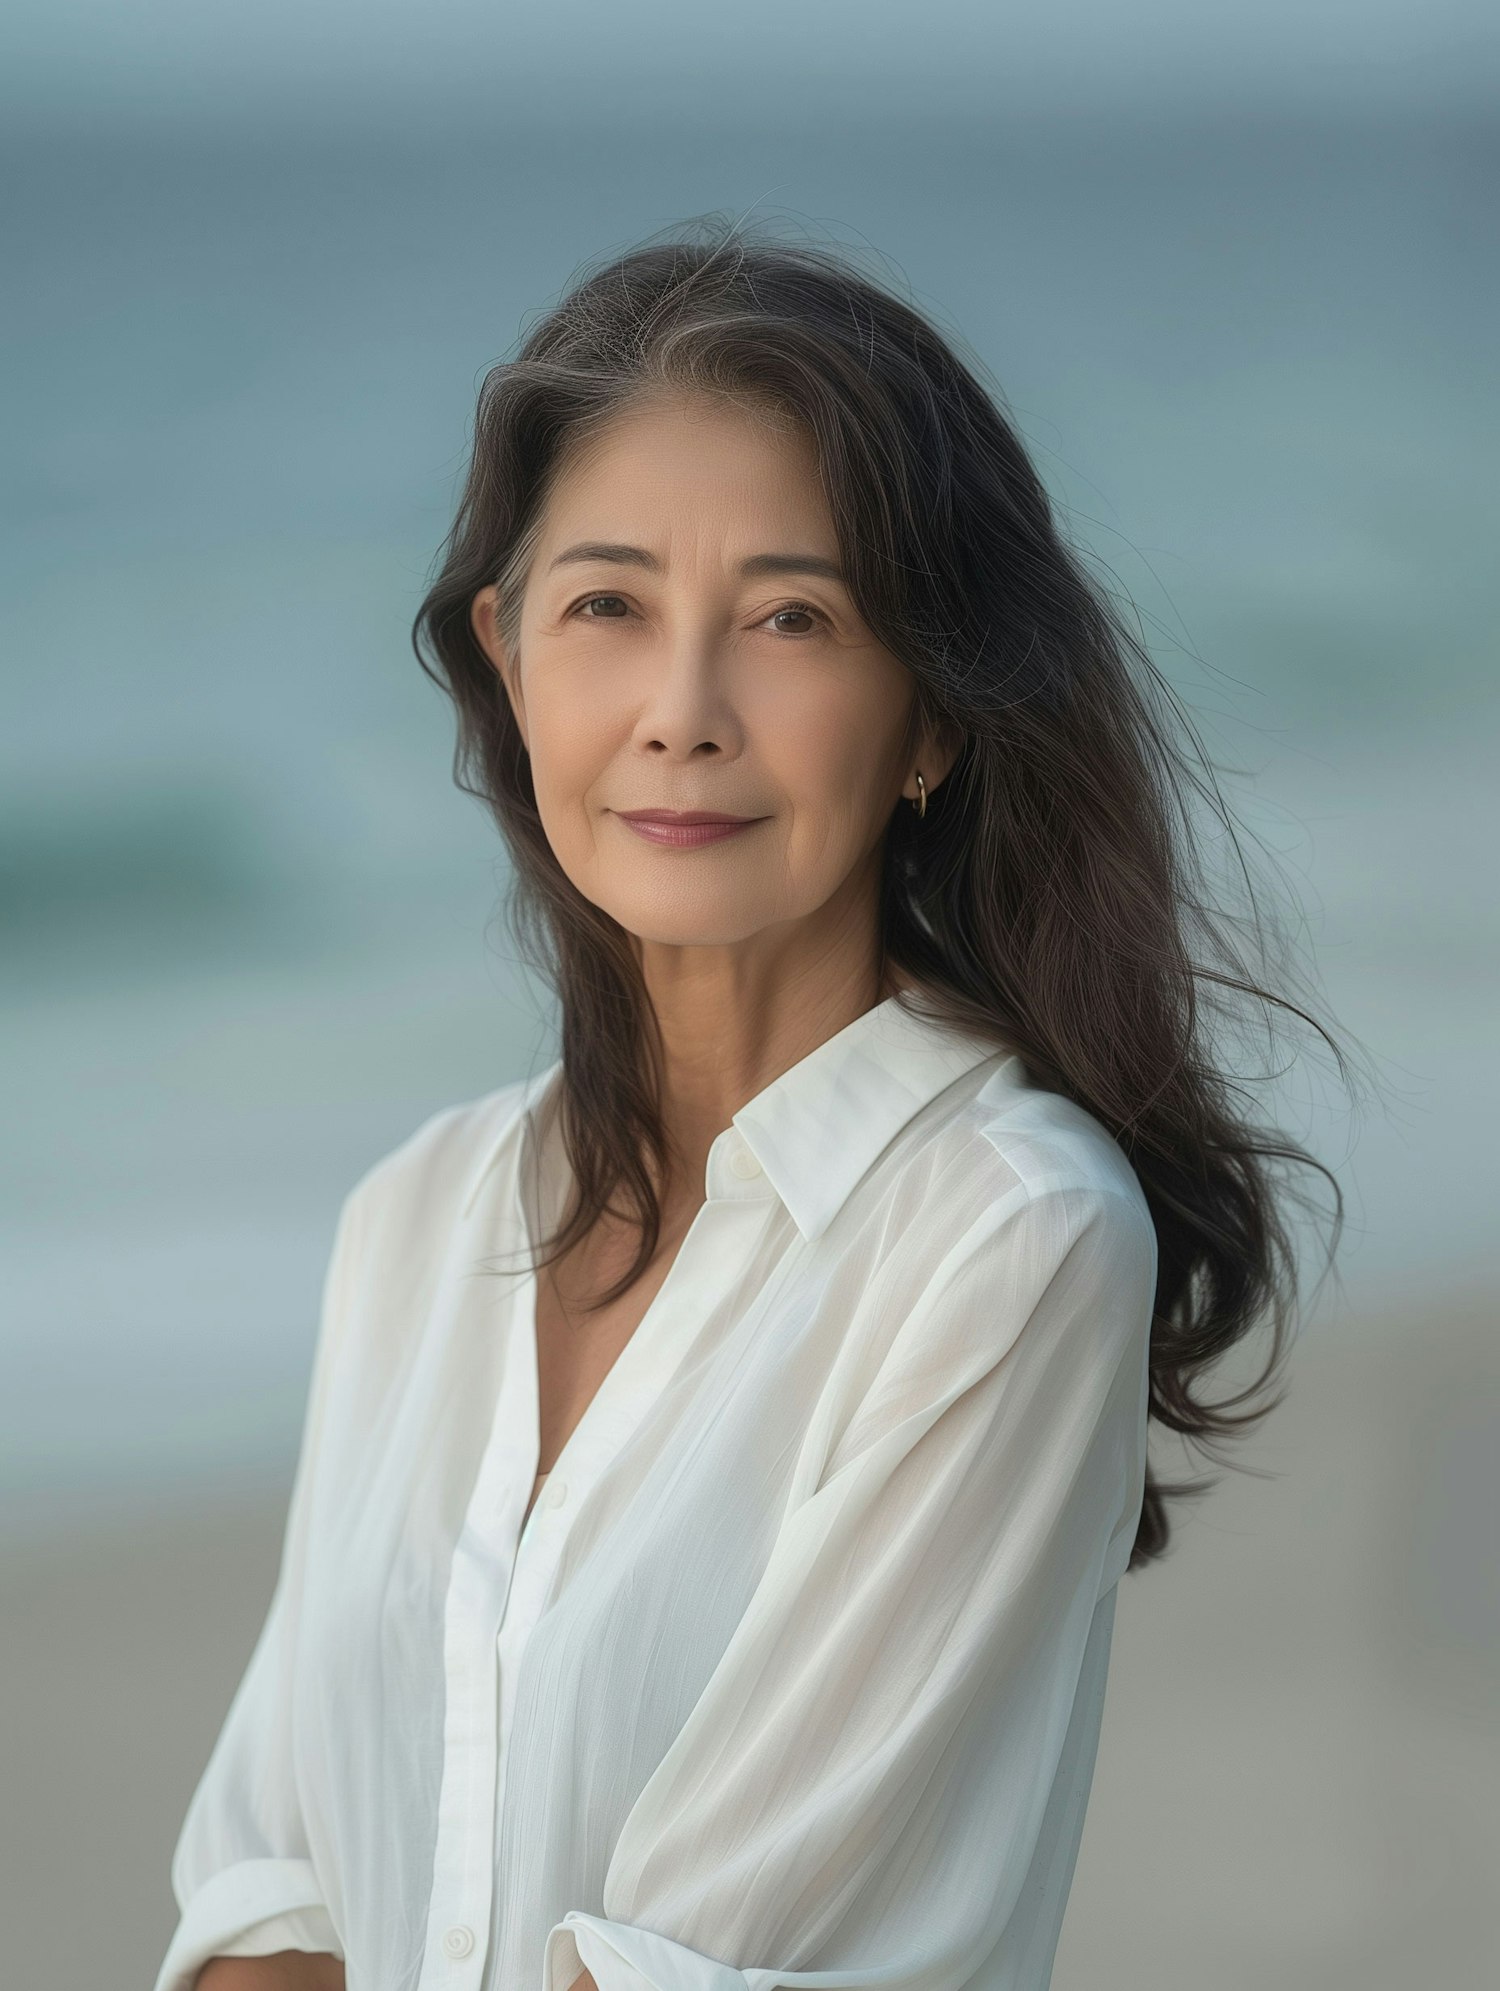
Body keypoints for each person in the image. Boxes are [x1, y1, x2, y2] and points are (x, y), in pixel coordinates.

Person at [153, 220, 1345, 1991]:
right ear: (507, 659)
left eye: (793, 617)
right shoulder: (416, 1217)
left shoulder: (1004, 1239)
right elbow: (273, 1908)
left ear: (931, 711)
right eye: (608, 608)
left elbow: (673, 1967)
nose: (684, 712)